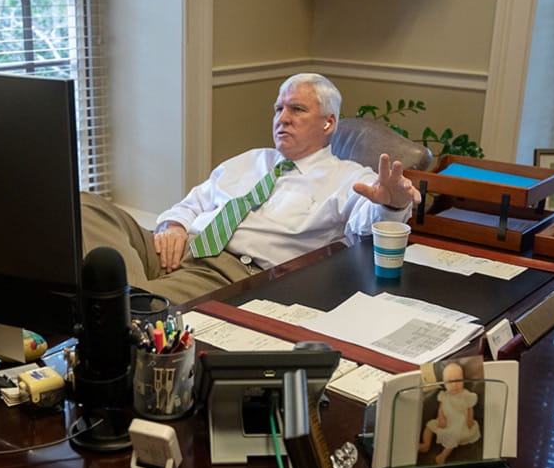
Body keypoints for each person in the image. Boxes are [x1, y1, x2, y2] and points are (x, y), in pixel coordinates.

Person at [80, 72, 422, 303]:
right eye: (278, 108)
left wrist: (391, 205)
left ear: (329, 122)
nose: (282, 118)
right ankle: (135, 301)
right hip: (176, 248)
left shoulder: (349, 178)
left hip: (231, 271)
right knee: (84, 206)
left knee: (128, 299)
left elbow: (367, 227)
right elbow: (192, 203)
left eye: (297, 109)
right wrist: (173, 225)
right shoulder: (250, 160)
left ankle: (130, 306)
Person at [418, 362, 481, 464]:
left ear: (463, 380)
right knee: (430, 425)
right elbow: (441, 408)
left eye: (458, 381)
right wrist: (441, 418)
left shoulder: (466, 395)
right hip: (446, 420)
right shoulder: (444, 395)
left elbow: (470, 408)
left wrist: (469, 419)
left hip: (460, 423)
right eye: (449, 382)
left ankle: (444, 454)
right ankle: (426, 444)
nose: (454, 385)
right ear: (444, 383)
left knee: (454, 435)